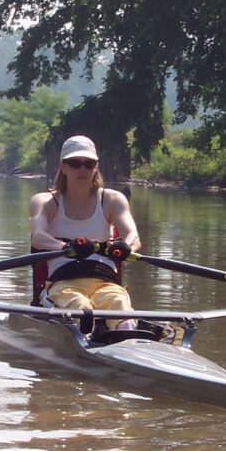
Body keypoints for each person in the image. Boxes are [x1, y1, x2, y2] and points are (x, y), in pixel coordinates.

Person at [30, 135, 141, 331]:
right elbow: (38, 237)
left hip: (106, 283)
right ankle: (88, 334)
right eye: (75, 163)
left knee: (121, 306)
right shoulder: (45, 201)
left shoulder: (113, 199)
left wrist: (125, 246)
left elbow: (134, 237)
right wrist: (66, 247)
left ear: (95, 167)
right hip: (62, 284)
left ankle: (127, 335)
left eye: (88, 164)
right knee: (81, 308)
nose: (82, 169)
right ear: (63, 166)